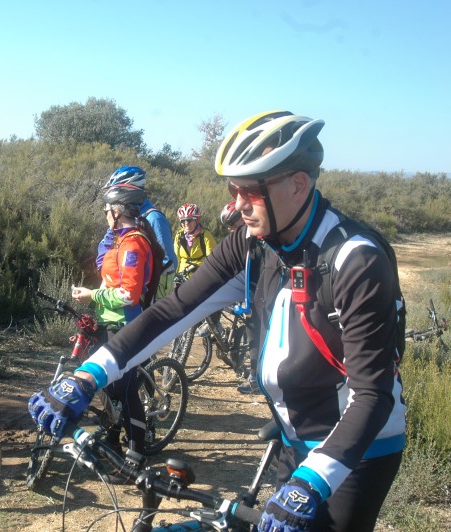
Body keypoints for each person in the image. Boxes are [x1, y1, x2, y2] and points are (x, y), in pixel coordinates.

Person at [30, 111, 406, 531]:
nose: (238, 204)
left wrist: (312, 481)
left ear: (298, 184)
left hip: (359, 451)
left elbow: (372, 394)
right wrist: (86, 376)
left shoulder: (356, 260)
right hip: (291, 438)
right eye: (233, 189)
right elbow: (173, 310)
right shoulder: (252, 245)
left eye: (251, 191)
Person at [71, 182, 158, 458]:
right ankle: (112, 441)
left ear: (118, 211)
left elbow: (129, 294)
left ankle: (136, 454)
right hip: (110, 323)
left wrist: (93, 295)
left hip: (126, 325)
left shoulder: (133, 244)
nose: (105, 214)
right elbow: (110, 277)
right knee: (109, 387)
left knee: (126, 390)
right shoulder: (120, 239)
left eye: (107, 209)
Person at [99, 166, 177, 299]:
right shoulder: (122, 218)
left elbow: (167, 261)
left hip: (146, 295)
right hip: (118, 289)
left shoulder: (154, 218)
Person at [219, 200, 259, 394]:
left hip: (260, 297)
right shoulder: (238, 241)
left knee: (256, 334)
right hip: (248, 295)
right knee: (252, 332)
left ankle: (257, 379)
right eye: (228, 226)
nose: (231, 229)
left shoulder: (256, 241)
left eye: (233, 224)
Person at [174, 203, 217, 280]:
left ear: (196, 220)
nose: (186, 223)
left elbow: (212, 259)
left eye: (189, 220)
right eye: (183, 221)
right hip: (182, 277)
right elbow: (176, 258)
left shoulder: (205, 235)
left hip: (200, 276)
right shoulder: (179, 235)